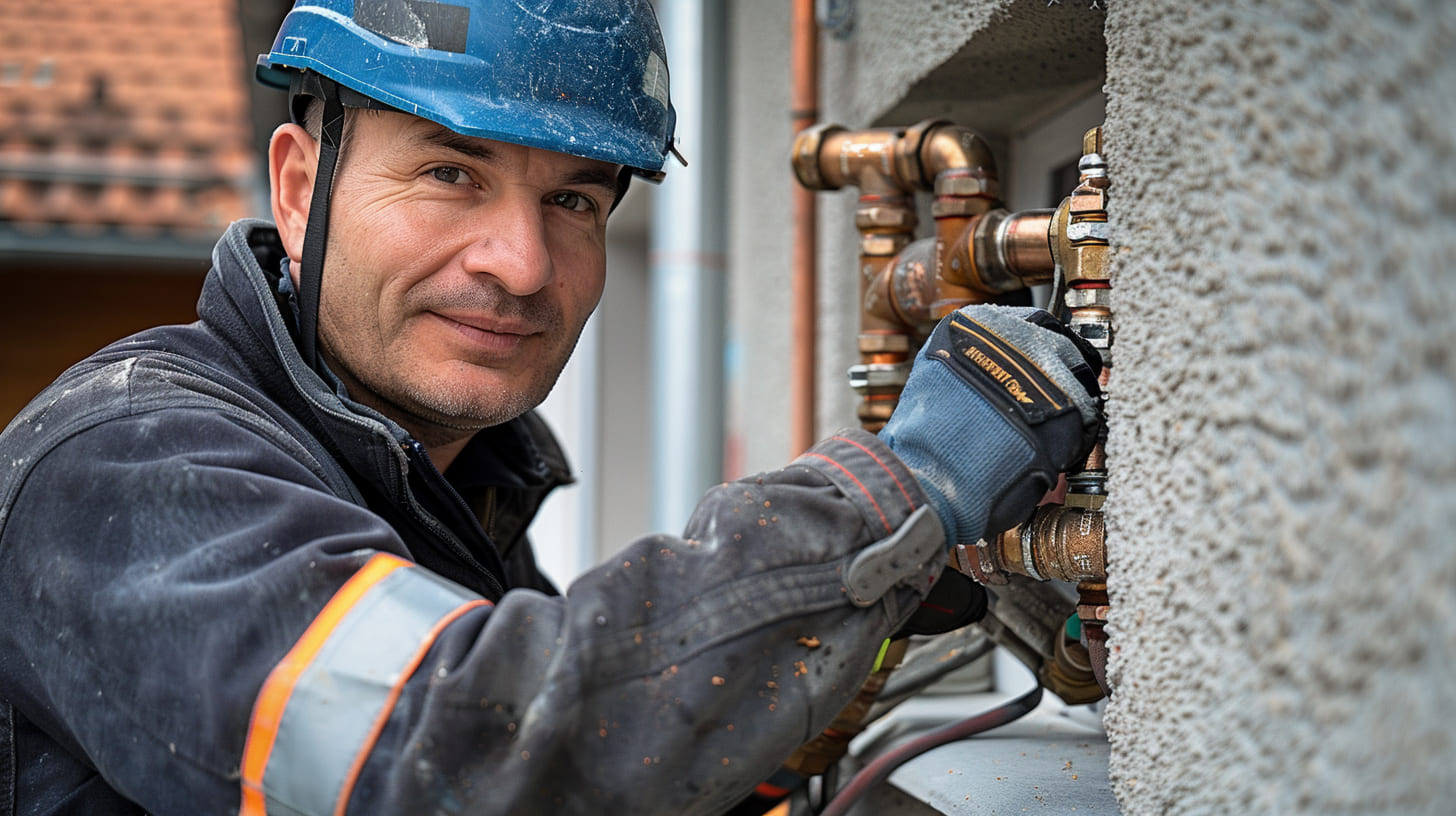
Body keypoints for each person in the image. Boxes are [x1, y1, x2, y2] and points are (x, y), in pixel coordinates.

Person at [0, 1, 1102, 814]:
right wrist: (900, 496)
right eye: (450, 174)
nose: (521, 265)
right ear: (299, 188)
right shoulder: (132, 462)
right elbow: (457, 756)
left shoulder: (443, 485)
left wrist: (833, 639)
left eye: (572, 199)